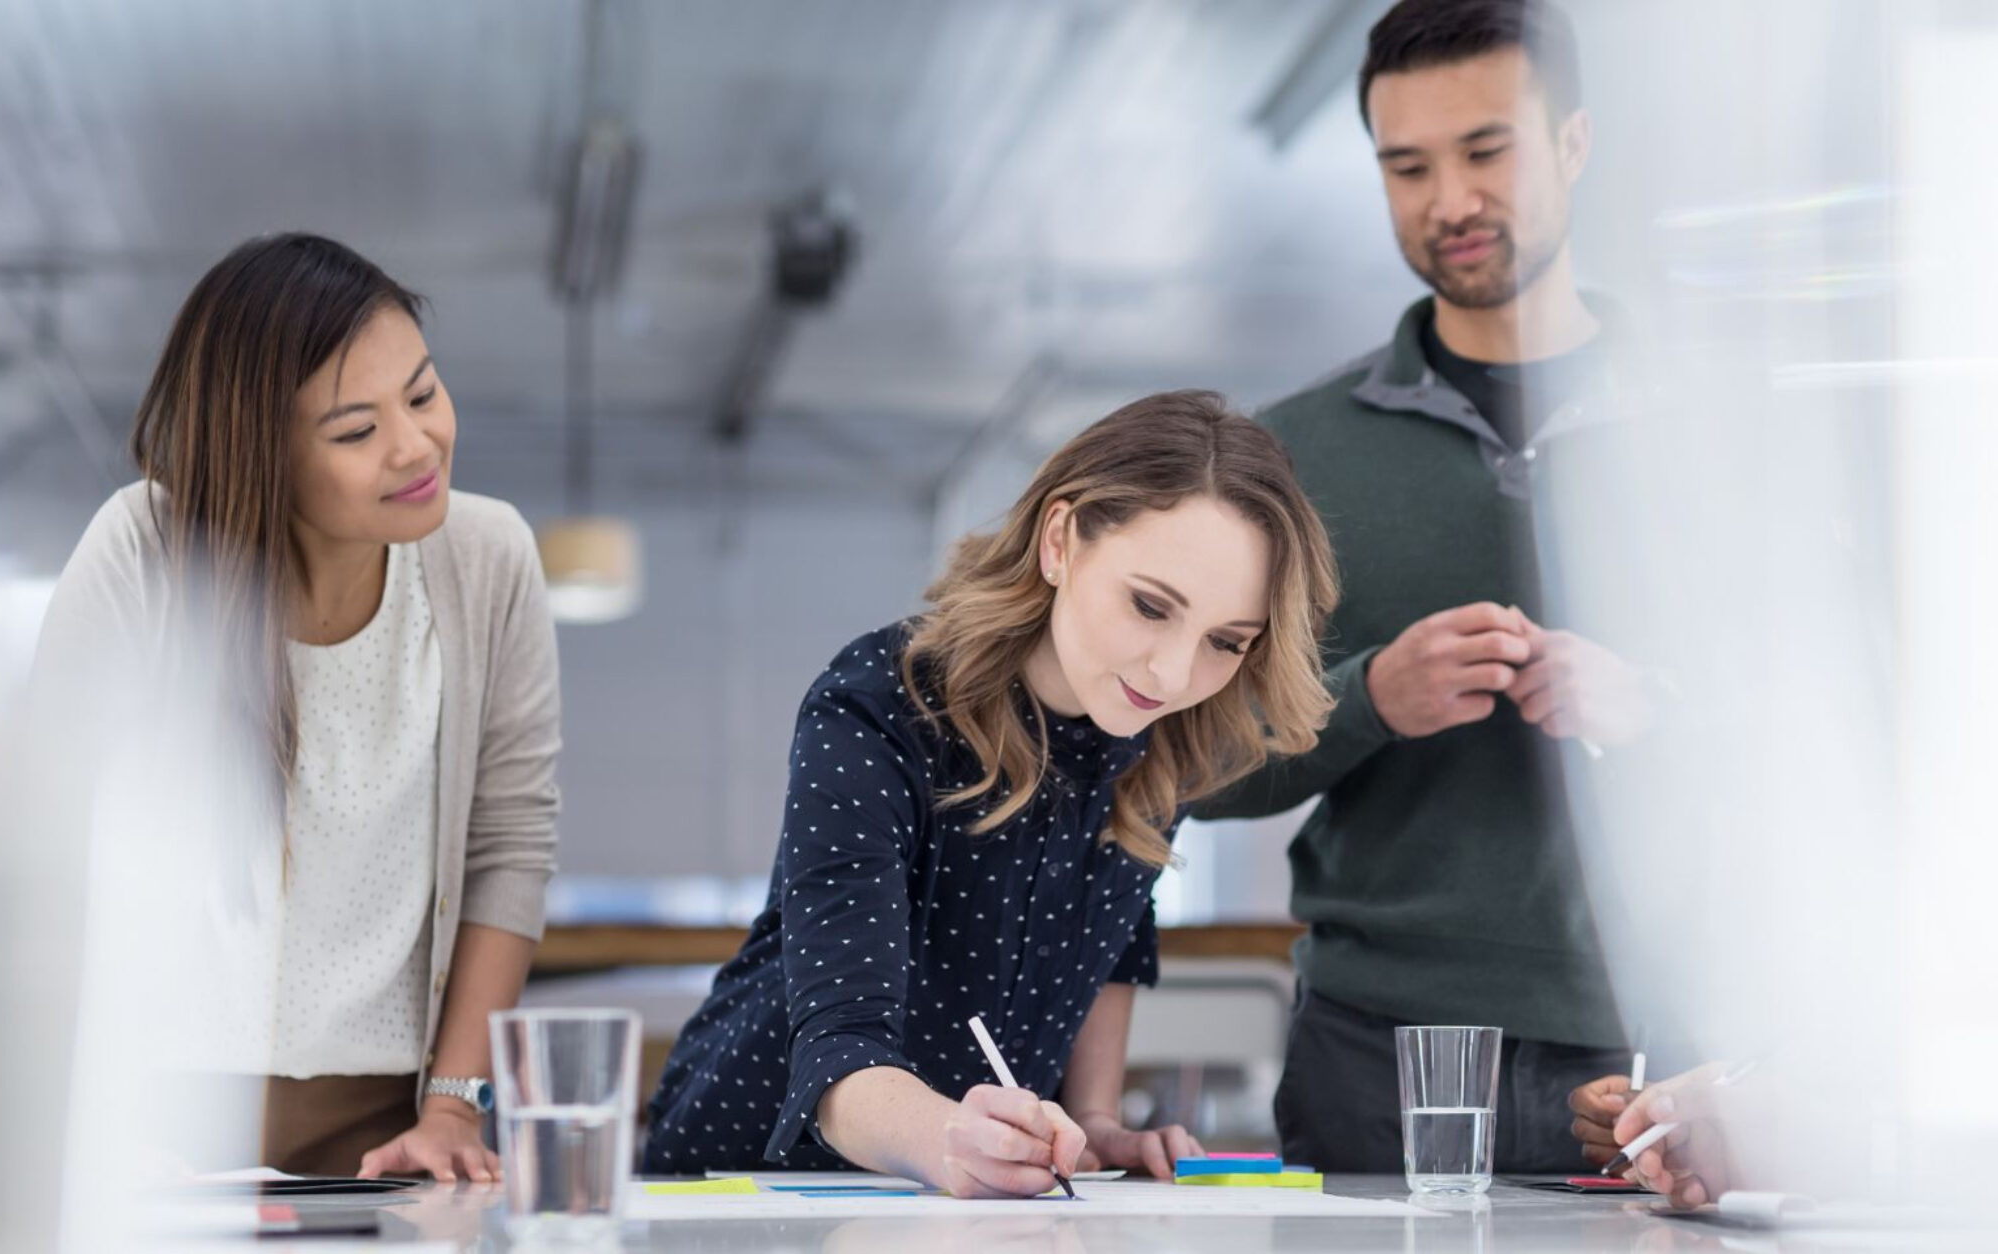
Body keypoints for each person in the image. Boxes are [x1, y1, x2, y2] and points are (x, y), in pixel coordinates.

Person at [643, 391, 1341, 1197]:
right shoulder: (878, 703)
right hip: (748, 1175)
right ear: (1059, 541)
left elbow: (1116, 934)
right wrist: (954, 1140)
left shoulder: (1164, 733)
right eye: (1150, 606)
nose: (1174, 673)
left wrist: (1097, 1121)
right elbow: (840, 1056)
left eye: (1226, 642)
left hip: (971, 1197)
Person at [1191, 0, 1667, 1175]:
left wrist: (1652, 710)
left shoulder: (1711, 439)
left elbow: (1855, 746)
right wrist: (1365, 700)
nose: (1448, 199)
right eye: (1406, 166)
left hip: (1655, 1046)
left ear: (1572, 144)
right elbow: (1185, 761)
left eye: (1486, 150)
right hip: (1370, 1056)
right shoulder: (1291, 455)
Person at [31, 233, 559, 1184]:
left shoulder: (490, 559)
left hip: (381, 1135)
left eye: (425, 393)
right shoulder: (144, 553)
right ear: (259, 447)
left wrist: (453, 1107)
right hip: (152, 1119)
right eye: (355, 431)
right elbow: (39, 841)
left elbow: (508, 850)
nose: (414, 445)